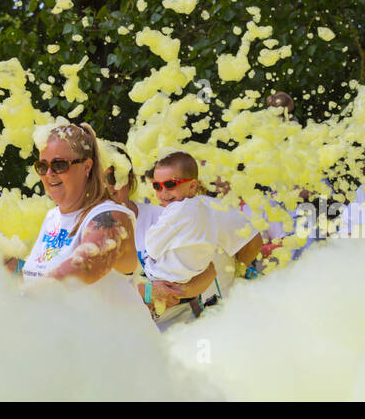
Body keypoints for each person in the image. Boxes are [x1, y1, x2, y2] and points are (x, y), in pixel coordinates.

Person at [19, 123, 141, 317]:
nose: (49, 174)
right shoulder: (53, 217)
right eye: (42, 166)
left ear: (87, 166)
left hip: (116, 345)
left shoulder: (111, 217)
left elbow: (85, 265)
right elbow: (40, 274)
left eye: (60, 165)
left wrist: (20, 299)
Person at [140, 150, 263, 326]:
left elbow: (252, 240)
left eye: (170, 184)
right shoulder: (165, 213)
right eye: (157, 186)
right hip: (186, 316)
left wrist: (240, 270)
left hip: (222, 305)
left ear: (192, 186)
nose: (163, 191)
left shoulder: (212, 207)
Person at [103, 142, 161, 272]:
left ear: (129, 180)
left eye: (113, 178)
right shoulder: (83, 227)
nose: (108, 187)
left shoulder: (160, 217)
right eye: (100, 180)